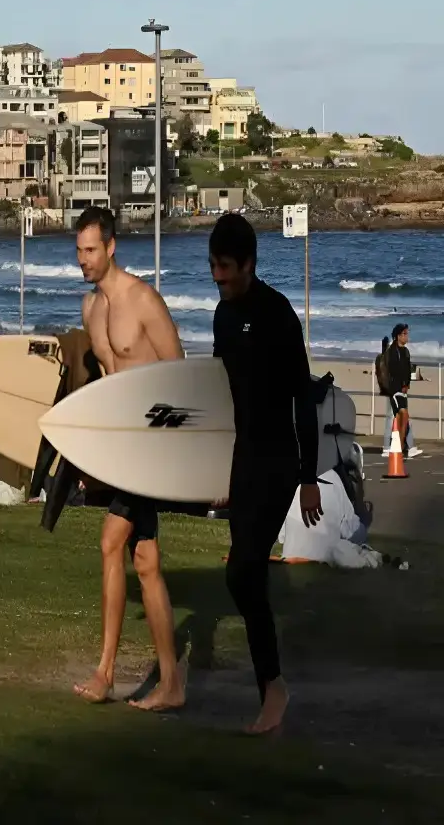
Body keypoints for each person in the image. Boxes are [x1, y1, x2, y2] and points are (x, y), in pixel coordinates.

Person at [210, 212, 323, 736]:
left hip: (279, 459)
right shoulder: (222, 317)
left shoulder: (277, 315)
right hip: (242, 457)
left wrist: (307, 476)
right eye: (213, 266)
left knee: (242, 570)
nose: (218, 276)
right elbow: (216, 397)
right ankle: (271, 690)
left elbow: (304, 397)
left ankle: (273, 688)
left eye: (226, 267)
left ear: (249, 264)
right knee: (246, 573)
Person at [71, 205, 186, 712]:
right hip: (122, 447)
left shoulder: (143, 301)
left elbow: (179, 376)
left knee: (110, 540)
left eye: (91, 250)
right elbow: (103, 381)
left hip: (152, 446)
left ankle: (106, 673)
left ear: (112, 247)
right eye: (78, 250)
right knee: (146, 562)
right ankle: (172, 683)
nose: (83, 260)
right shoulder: (89, 309)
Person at [383, 324, 423, 458]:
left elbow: (407, 369)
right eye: (405, 334)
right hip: (393, 389)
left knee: (404, 417)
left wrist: (407, 384)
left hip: (403, 389)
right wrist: (397, 386)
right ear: (398, 336)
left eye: (407, 333)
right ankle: (388, 447)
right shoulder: (391, 351)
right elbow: (392, 371)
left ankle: (410, 447)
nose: (407, 336)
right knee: (392, 417)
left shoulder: (405, 351)